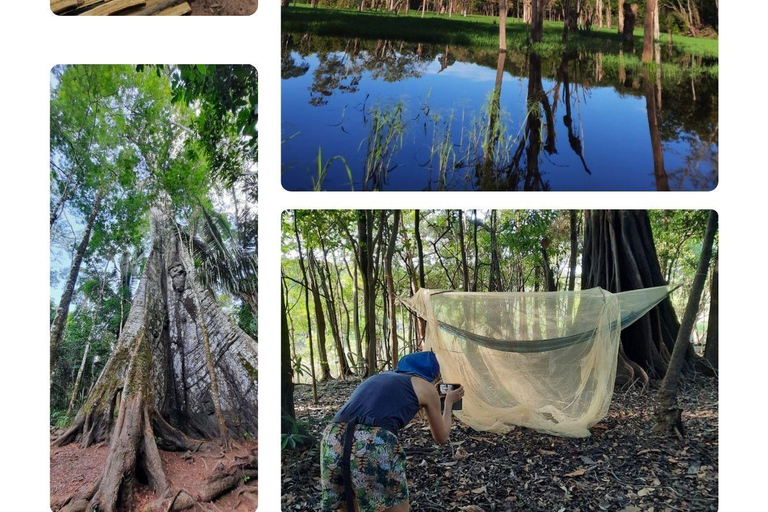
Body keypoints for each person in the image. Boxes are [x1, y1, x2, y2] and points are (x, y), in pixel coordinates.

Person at [320, 351, 465, 512]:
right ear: (434, 377)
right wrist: (449, 402)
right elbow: (442, 437)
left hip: (332, 436)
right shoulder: (426, 388)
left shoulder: (380, 377)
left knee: (346, 503)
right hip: (371, 441)